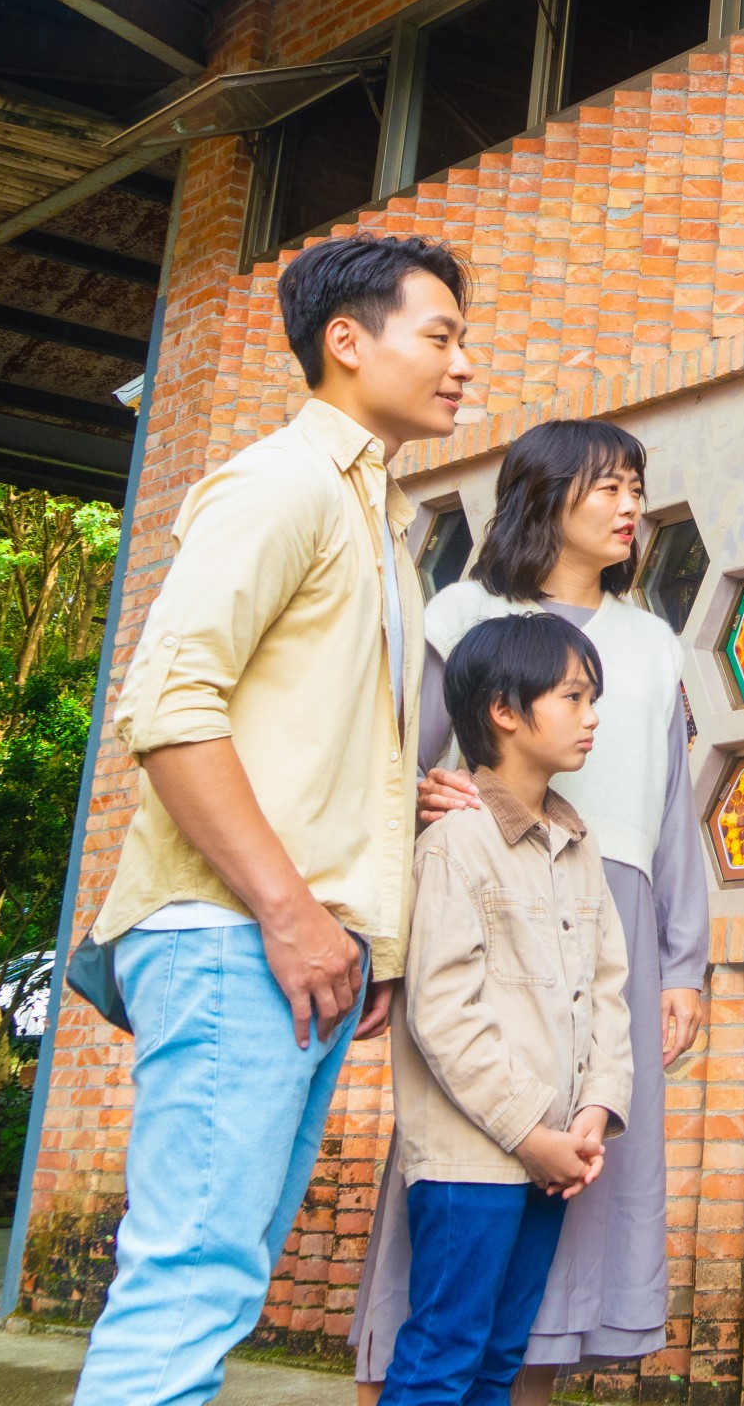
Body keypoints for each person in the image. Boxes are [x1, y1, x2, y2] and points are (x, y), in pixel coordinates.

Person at [76, 233, 471, 1406]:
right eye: (440, 335)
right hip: (227, 935)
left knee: (219, 1279)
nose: (463, 364)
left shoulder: (381, 528)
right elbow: (168, 707)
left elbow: (316, 746)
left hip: (289, 947)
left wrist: (373, 921)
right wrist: (298, 914)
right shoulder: (281, 483)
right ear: (347, 342)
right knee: (189, 1280)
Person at [353, 419, 709, 1403]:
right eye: (607, 485)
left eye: (638, 484)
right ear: (543, 495)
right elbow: (394, 761)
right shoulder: (467, 609)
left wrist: (683, 962)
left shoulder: (652, 639)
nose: (630, 504)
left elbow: (676, 807)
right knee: (474, 1164)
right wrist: (422, 791)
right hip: (490, 912)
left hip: (614, 919)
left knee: (588, 1163)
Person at [379, 611, 633, 1406]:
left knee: (498, 1360)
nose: (592, 717)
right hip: (472, 1159)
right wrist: (531, 1133)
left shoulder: (577, 844)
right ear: (504, 710)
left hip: (553, 1154)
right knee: (443, 1357)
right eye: (573, 696)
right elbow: (443, 1010)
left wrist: (594, 1112)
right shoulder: (456, 840)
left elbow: (610, 991)